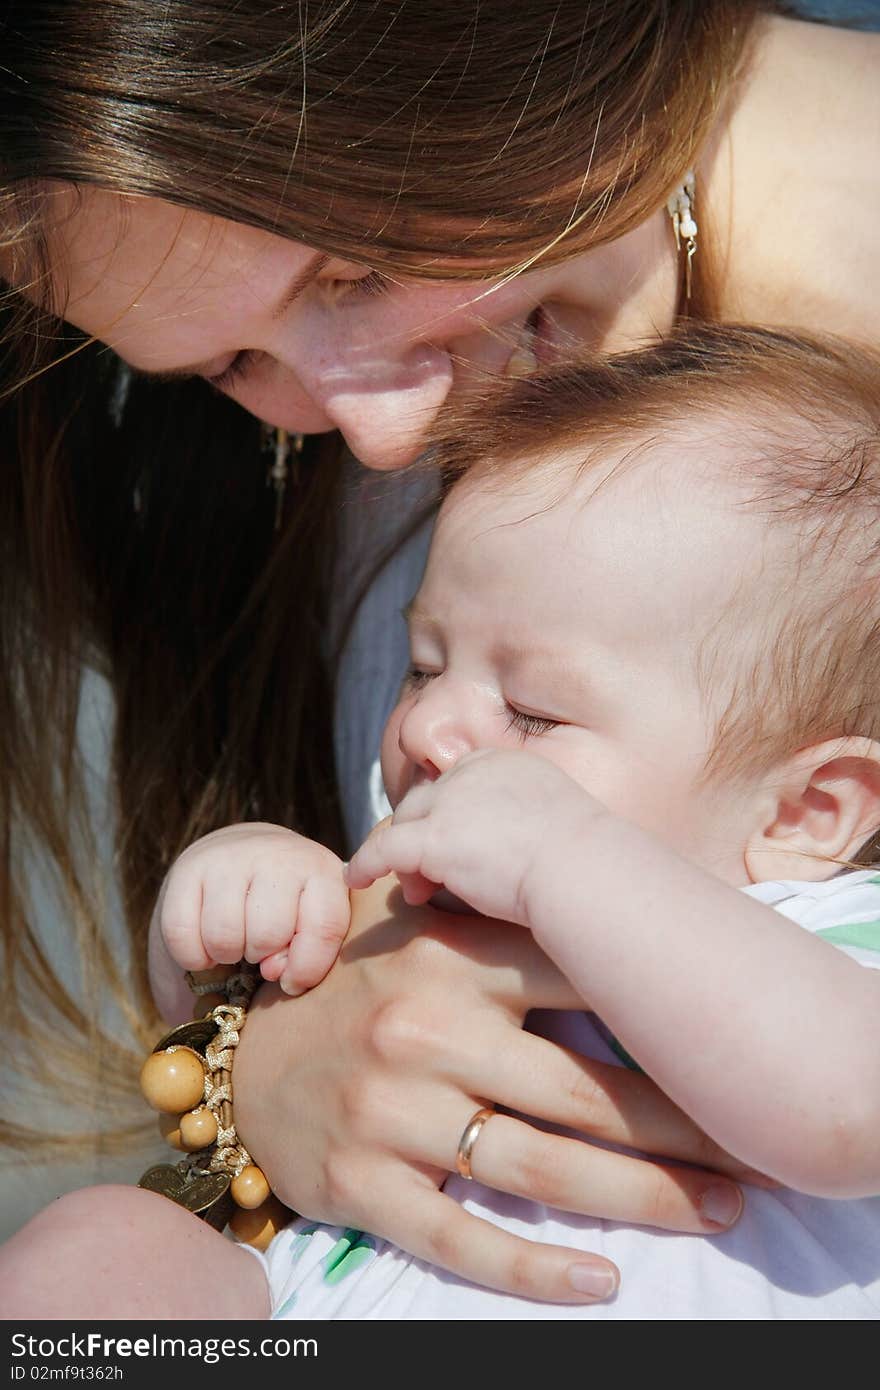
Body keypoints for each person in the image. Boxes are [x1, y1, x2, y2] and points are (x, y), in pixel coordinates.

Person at [1, 0, 878, 1298]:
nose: (388, 437)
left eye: (350, 269)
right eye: (233, 360)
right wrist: (264, 1057)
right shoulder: (366, 442)